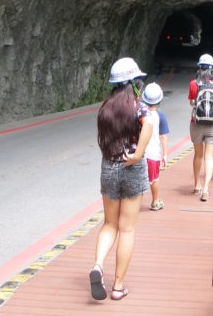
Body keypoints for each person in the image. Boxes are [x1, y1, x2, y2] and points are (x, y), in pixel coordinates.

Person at [90, 57, 152, 302]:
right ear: (133, 83)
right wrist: (137, 154)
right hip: (132, 169)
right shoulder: (138, 107)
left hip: (109, 167)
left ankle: (97, 266)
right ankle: (117, 286)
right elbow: (149, 124)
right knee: (127, 229)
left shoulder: (105, 109)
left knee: (109, 224)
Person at [188, 53, 213, 202]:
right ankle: (206, 190)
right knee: (209, 157)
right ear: (212, 67)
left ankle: (197, 185)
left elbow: (191, 102)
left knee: (198, 155)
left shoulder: (193, 83)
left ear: (199, 67)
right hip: (212, 124)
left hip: (196, 123)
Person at [141, 82, 168, 211]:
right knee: (154, 179)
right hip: (153, 154)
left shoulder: (139, 114)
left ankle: (132, 204)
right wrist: (165, 154)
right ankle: (155, 201)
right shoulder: (160, 116)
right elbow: (163, 137)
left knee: (138, 179)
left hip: (139, 153)